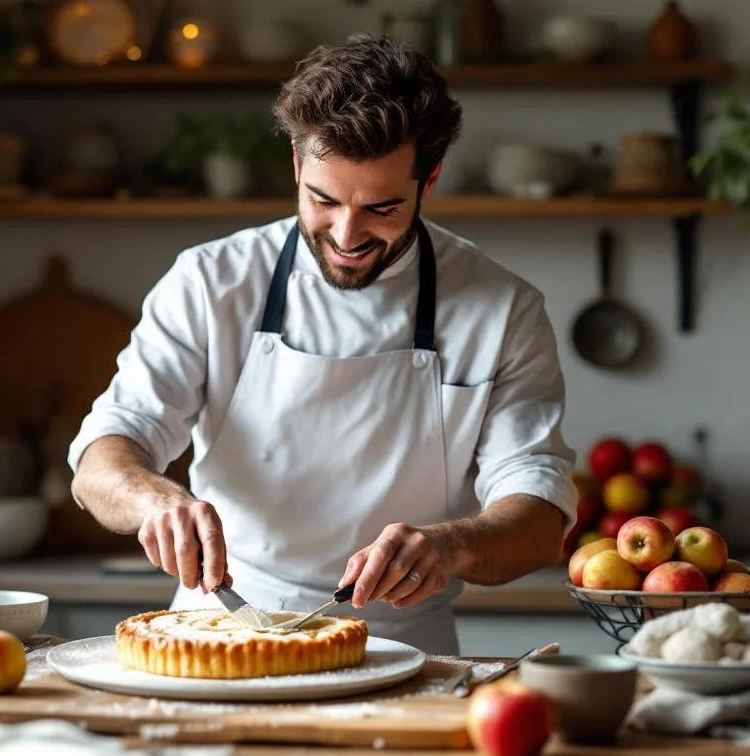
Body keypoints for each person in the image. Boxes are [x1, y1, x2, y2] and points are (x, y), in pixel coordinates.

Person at [67, 34, 578, 655]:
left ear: (430, 178)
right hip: (217, 630)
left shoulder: (503, 311)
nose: (346, 234)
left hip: (405, 647)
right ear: (296, 163)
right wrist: (155, 502)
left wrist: (452, 544)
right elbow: (103, 458)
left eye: (382, 208)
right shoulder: (210, 282)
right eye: (323, 199)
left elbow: (539, 516)